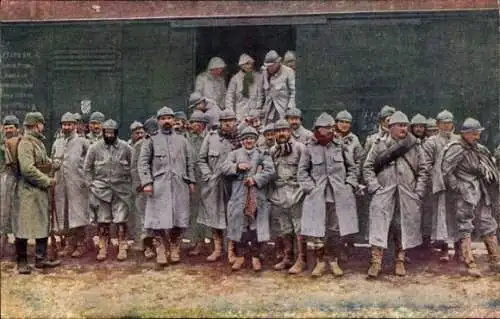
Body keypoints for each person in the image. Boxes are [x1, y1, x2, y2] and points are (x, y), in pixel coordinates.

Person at [363, 111, 430, 278]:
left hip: (407, 194)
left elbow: (423, 170)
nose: (404, 128)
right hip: (384, 192)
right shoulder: (379, 144)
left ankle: (400, 261)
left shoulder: (414, 145)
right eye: (400, 125)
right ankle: (376, 262)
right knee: (379, 226)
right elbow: (368, 167)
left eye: (405, 125)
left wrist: (419, 191)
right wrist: (374, 187)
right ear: (390, 127)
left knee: (402, 227)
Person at [299, 113, 359, 277]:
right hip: (317, 195)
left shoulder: (340, 145)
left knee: (334, 229)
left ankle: (333, 261)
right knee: (318, 230)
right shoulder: (309, 147)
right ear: (318, 129)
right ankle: (319, 262)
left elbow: (352, 168)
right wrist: (310, 188)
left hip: (337, 195)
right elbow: (302, 171)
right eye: (325, 128)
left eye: (331, 128)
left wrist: (349, 185)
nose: (330, 130)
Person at [437, 118, 500, 277]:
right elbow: (446, 171)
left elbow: (489, 167)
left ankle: (495, 259)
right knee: (465, 227)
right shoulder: (455, 148)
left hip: (481, 192)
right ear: (465, 134)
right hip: (465, 194)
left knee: (488, 223)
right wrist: (457, 188)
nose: (477, 136)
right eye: (474, 133)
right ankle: (469, 262)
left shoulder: (480, 149)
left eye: (478, 133)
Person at [138, 107, 195, 269]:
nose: (167, 121)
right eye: (163, 118)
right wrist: (147, 183)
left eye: (169, 118)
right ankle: (161, 249)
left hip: (179, 185)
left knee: (179, 218)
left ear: (174, 120)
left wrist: (191, 181)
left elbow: (190, 162)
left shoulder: (183, 140)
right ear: (158, 121)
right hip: (159, 186)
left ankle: (175, 247)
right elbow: (143, 163)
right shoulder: (151, 140)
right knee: (158, 220)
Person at [221, 126, 275, 271]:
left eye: (251, 138)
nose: (248, 141)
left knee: (255, 227)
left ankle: (256, 258)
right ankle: (240, 257)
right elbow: (224, 168)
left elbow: (270, 171)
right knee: (240, 227)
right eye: (245, 138)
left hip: (257, 195)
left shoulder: (263, 154)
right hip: (239, 195)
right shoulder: (234, 154)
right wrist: (238, 167)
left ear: (256, 140)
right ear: (241, 141)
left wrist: (256, 179)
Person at [15, 112, 61, 274]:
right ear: (36, 125)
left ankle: (40, 259)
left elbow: (43, 160)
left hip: (39, 191)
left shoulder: (37, 142)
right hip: (27, 191)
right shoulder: (26, 143)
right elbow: (27, 169)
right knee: (24, 226)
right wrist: (47, 181)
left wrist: (52, 164)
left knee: (42, 223)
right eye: (41, 124)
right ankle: (21, 261)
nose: (43, 127)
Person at [84, 119, 133, 262]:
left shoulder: (126, 148)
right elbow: (87, 169)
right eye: (107, 132)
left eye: (112, 132)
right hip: (101, 190)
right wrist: (91, 185)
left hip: (121, 190)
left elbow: (134, 166)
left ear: (116, 133)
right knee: (103, 220)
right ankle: (103, 247)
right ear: (103, 133)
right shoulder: (94, 148)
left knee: (121, 220)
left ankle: (122, 247)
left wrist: (132, 184)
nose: (109, 135)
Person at [198, 109, 241, 263]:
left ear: (236, 121)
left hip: (234, 184)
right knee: (214, 216)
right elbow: (202, 160)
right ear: (220, 123)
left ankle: (231, 251)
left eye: (231, 120)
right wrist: (208, 176)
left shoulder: (241, 138)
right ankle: (217, 249)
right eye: (224, 121)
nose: (228, 123)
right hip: (214, 184)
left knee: (233, 217)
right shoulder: (211, 138)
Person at [268, 120, 307, 273]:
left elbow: (305, 171)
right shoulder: (273, 150)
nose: (281, 133)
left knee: (299, 228)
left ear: (290, 131)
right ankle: (288, 257)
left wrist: (303, 189)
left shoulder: (300, 148)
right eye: (278, 131)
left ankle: (302, 259)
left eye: (284, 130)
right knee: (285, 227)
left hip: (296, 192)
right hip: (279, 193)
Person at [421, 110, 460, 261]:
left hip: (457, 184)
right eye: (443, 123)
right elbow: (425, 164)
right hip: (440, 185)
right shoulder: (432, 142)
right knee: (441, 217)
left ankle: (459, 249)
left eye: (449, 122)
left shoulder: (459, 140)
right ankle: (444, 249)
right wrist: (436, 176)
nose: (446, 126)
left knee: (458, 216)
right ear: (438, 124)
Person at [51, 112, 90, 258]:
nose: (67, 127)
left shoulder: (83, 142)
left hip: (78, 184)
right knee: (64, 213)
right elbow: (53, 160)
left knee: (78, 214)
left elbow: (90, 164)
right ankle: (69, 244)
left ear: (75, 126)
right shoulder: (57, 143)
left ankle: (82, 244)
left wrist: (86, 180)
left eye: (70, 124)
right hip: (61, 184)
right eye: (64, 124)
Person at [130, 117, 158, 260]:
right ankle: (147, 246)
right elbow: (135, 167)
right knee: (144, 218)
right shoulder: (139, 145)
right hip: (144, 188)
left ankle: (159, 245)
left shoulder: (162, 143)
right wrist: (140, 185)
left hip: (159, 188)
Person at [184, 111, 211, 256]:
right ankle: (198, 242)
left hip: (208, 181)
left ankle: (213, 243)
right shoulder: (188, 139)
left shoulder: (210, 138)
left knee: (211, 212)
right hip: (194, 181)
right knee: (195, 212)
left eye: (194, 122)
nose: (191, 124)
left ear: (202, 124)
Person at [0, 115, 20, 257]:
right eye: (6, 127)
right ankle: (3, 240)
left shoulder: (21, 142)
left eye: (11, 127)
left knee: (16, 212)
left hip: (16, 180)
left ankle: (18, 243)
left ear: (17, 129)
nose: (8, 130)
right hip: (3, 179)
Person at [225, 53, 263, 121]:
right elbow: (229, 96)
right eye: (247, 64)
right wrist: (230, 112)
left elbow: (260, 95)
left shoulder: (257, 77)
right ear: (241, 65)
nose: (250, 66)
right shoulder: (235, 78)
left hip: (254, 113)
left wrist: (257, 109)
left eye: (251, 64)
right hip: (240, 113)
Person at [262, 50, 296, 124]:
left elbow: (293, 92)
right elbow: (262, 93)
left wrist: (290, 108)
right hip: (268, 111)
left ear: (278, 63)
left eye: (271, 66)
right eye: (267, 66)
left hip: (283, 109)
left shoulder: (288, 71)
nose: (269, 68)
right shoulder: (264, 72)